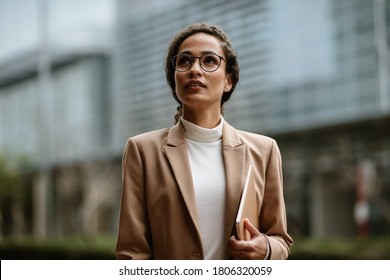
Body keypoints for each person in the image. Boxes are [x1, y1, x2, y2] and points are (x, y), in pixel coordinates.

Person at [116, 22, 293, 260]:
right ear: (174, 80)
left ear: (228, 80)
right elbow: (132, 252)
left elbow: (280, 239)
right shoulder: (142, 151)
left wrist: (266, 248)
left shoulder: (264, 150)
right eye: (184, 61)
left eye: (209, 60)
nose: (194, 69)